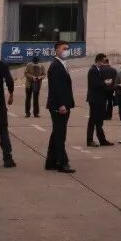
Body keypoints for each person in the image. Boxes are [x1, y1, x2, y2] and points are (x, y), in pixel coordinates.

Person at [45, 41, 75, 173]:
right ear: (57, 50)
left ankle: (50, 162)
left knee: (56, 133)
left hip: (63, 104)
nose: (67, 51)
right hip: (59, 106)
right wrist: (61, 104)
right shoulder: (56, 66)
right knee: (60, 135)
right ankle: (63, 163)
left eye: (68, 48)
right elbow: (56, 88)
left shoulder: (62, 64)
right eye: (64, 48)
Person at [86, 53, 114, 147]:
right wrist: (105, 82)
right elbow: (95, 84)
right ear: (99, 61)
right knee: (93, 120)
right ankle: (90, 140)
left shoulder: (98, 70)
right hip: (95, 99)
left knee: (99, 120)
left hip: (99, 99)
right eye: (104, 61)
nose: (104, 63)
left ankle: (102, 140)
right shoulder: (93, 70)